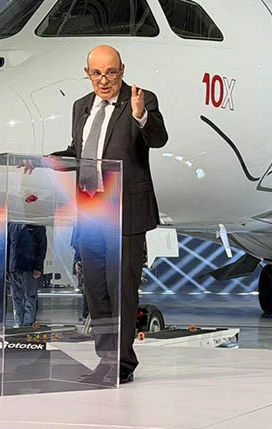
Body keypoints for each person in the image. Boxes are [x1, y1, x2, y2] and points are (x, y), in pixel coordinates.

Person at [49, 45, 168, 385]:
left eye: (111, 72)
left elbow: (158, 138)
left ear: (122, 70)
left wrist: (141, 115)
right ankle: (106, 358)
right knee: (96, 291)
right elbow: (80, 152)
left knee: (122, 291)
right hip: (90, 211)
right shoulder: (81, 107)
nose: (104, 80)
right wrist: (50, 160)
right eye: (97, 73)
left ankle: (123, 363)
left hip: (125, 212)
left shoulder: (140, 99)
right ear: (87, 73)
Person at [8, 223, 47, 327]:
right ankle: (18, 323)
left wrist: (38, 267)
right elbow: (9, 246)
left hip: (30, 268)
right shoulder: (12, 225)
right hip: (14, 267)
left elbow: (42, 248)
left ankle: (28, 324)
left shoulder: (38, 226)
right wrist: (8, 267)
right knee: (16, 298)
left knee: (29, 297)